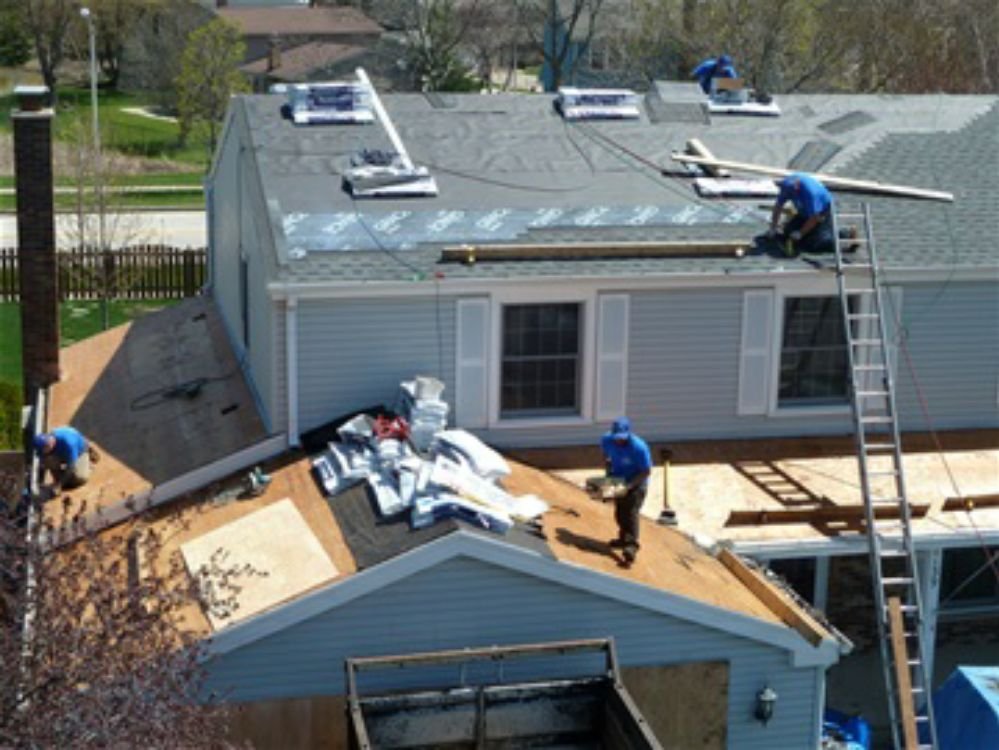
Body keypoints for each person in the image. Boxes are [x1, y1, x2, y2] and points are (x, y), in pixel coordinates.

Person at [600, 417, 652, 566]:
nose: (619, 441)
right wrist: (608, 472)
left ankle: (631, 547)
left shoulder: (639, 447)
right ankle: (623, 539)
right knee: (619, 512)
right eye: (616, 438)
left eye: (622, 438)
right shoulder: (606, 440)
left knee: (631, 513)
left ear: (628, 434)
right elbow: (605, 455)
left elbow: (646, 471)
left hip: (637, 483)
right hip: (618, 480)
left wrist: (629, 486)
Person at [768, 172, 837, 255]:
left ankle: (845, 235)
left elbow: (815, 217)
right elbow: (778, 207)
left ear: (797, 188)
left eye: (792, 193)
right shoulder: (787, 186)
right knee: (788, 231)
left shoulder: (811, 193)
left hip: (822, 211)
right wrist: (773, 226)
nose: (789, 195)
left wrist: (800, 233)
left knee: (816, 244)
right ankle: (812, 232)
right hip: (804, 211)